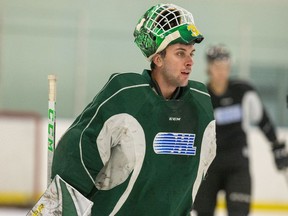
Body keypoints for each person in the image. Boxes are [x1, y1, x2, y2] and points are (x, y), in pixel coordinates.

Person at [33, 4, 216, 216]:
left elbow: (202, 167)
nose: (190, 62)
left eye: (192, 53)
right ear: (158, 58)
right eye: (180, 53)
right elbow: (78, 151)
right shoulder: (126, 95)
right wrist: (60, 204)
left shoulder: (200, 103)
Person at [192, 44, 288, 216]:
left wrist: (276, 146)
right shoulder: (201, 95)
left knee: (239, 212)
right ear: (209, 68)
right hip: (208, 167)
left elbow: (262, 120)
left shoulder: (243, 91)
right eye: (217, 67)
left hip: (238, 164)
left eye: (225, 67)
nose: (222, 72)